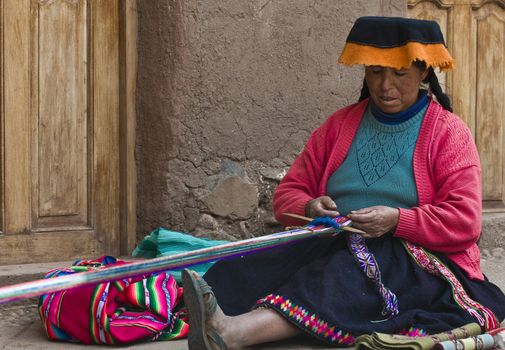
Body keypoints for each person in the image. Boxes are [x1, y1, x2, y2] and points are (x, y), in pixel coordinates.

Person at [181, 16, 505, 349]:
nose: (385, 87)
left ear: (424, 73)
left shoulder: (449, 133)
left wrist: (396, 220)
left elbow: (465, 222)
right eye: (376, 72)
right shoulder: (339, 126)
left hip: (413, 259)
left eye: (400, 74)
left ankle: (233, 334)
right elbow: (287, 196)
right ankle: (216, 315)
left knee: (341, 277)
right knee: (247, 268)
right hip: (334, 239)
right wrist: (309, 205)